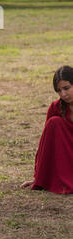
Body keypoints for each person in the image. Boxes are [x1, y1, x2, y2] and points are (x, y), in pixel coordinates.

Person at [21, 65, 73, 194]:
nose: (63, 94)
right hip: (67, 159)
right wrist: (38, 177)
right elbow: (46, 146)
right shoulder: (55, 107)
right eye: (59, 91)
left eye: (66, 88)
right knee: (53, 123)